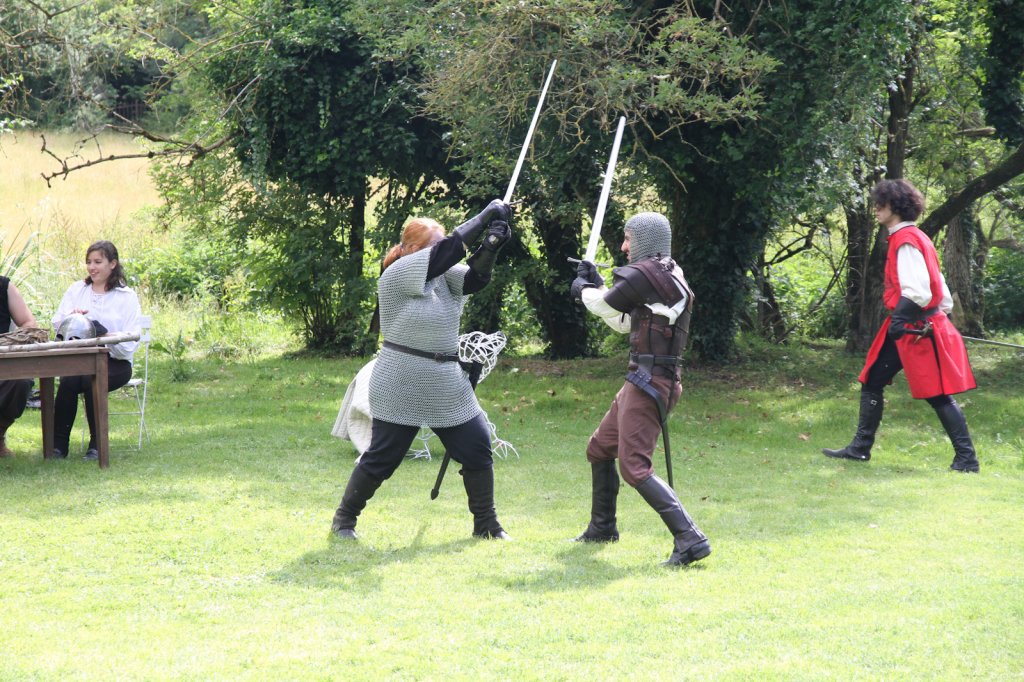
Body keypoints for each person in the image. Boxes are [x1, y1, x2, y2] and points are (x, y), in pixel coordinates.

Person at [331, 200, 514, 540]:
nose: (444, 251)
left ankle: (486, 525)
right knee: (382, 458)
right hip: (401, 379)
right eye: (435, 245)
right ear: (412, 249)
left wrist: (491, 246)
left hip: (446, 381)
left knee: (477, 446)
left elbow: (475, 279)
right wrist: (484, 216)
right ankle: (344, 520)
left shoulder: (443, 276)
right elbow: (450, 251)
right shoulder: (397, 273)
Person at [570, 212, 711, 567]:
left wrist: (584, 288)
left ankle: (690, 539)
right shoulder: (665, 274)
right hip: (643, 379)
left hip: (651, 383)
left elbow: (601, 304)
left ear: (646, 239)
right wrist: (599, 285)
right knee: (600, 448)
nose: (623, 247)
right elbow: (621, 321)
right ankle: (602, 528)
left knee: (634, 466)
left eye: (628, 238)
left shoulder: (651, 273)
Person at [823, 179, 979, 472]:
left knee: (936, 393)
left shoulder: (907, 239)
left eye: (881, 204)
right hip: (911, 324)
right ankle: (859, 449)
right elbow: (939, 288)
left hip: (916, 327)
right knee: (873, 379)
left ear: (895, 206)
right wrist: (931, 315)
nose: (876, 209)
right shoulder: (913, 237)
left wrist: (902, 318)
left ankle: (967, 460)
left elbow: (919, 291)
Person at [50, 240, 141, 460]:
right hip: (81, 360)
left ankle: (97, 445)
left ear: (113, 264)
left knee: (94, 380)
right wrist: (74, 318)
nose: (92, 267)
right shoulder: (77, 290)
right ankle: (58, 446)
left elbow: (129, 344)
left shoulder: (126, 296)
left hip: (116, 363)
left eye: (98, 262)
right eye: (89, 262)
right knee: (69, 381)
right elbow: (58, 324)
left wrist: (104, 335)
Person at [0, 277, 41, 457]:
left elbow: (29, 323)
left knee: (21, 381)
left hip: (3, 360)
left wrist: (11, 339)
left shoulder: (4, 286)